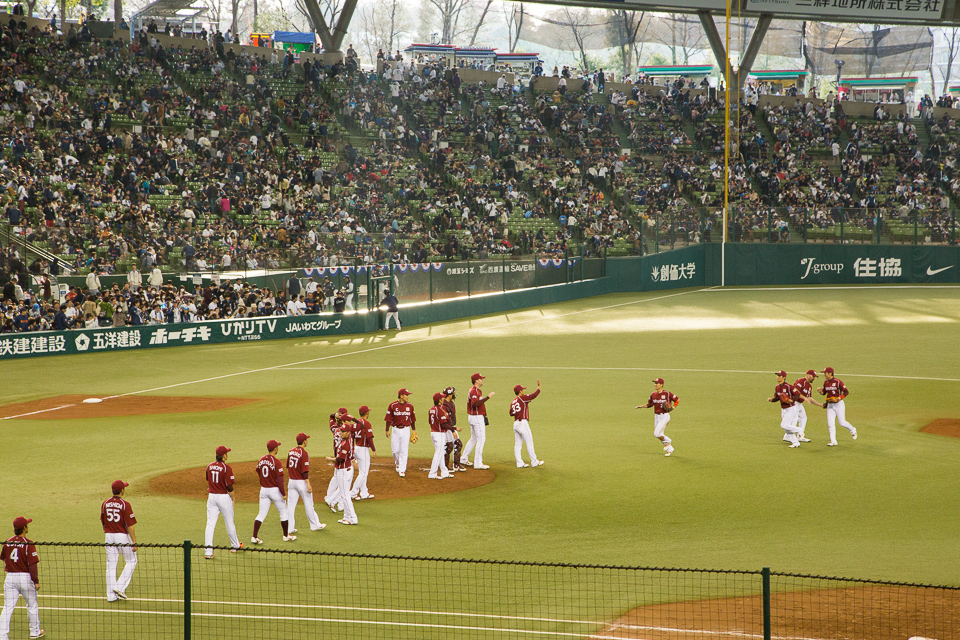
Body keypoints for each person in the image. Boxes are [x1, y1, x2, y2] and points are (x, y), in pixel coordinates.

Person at [0, 517, 42, 640]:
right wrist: (36, 581)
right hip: (25, 578)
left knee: (7, 607)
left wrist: (13, 565)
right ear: (24, 528)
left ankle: (2, 635)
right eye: (27, 525)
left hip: (10, 577)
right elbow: (32, 564)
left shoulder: (7, 542)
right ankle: (35, 632)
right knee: (32, 605)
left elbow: (3, 557)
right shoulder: (28, 543)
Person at [251, 440, 296, 544]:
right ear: (275, 449)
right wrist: (283, 494)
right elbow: (280, 481)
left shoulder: (261, 459)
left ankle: (254, 536)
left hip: (263, 490)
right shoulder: (277, 462)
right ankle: (286, 536)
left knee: (261, 514)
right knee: (284, 513)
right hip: (274, 490)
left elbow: (258, 471)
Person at [101, 480, 137, 601]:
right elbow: (130, 525)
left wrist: (108, 532)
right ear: (122, 490)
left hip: (108, 536)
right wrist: (134, 542)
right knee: (132, 560)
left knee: (111, 565)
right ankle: (120, 587)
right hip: (121, 536)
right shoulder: (125, 504)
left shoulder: (105, 503)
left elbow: (103, 521)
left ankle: (111, 596)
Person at [204, 446, 243, 559]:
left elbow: (209, 480)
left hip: (211, 497)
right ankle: (235, 546)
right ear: (224, 456)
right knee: (229, 521)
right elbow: (229, 486)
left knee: (210, 524)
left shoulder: (209, 466)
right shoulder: (226, 468)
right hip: (223, 497)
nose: (227, 455)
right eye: (226, 453)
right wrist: (233, 498)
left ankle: (208, 552)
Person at [286, 433, 326, 534]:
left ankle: (289, 528)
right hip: (301, 482)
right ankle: (314, 525)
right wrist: (308, 483)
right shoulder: (304, 453)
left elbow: (288, 466)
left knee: (290, 506)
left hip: (291, 481)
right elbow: (304, 471)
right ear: (304, 442)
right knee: (309, 504)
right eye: (306, 440)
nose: (307, 441)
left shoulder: (291, 451)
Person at [636, 377, 678, 456]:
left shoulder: (667, 393)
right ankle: (670, 449)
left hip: (664, 416)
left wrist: (673, 407)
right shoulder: (653, 394)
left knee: (656, 434)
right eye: (655, 383)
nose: (655, 385)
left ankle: (668, 441)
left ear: (661, 385)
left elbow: (677, 399)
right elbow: (650, 404)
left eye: (657, 383)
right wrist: (641, 406)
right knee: (660, 434)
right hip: (657, 417)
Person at [461, 373, 493, 470]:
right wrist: (488, 397)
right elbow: (475, 404)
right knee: (481, 439)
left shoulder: (477, 390)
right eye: (480, 379)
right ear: (476, 381)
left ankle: (463, 458)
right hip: (476, 417)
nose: (482, 380)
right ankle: (478, 463)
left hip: (474, 417)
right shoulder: (474, 391)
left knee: (474, 438)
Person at [818, 367, 857, 446]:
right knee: (830, 423)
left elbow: (846, 392)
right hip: (830, 405)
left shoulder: (838, 382)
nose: (824, 374)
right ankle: (833, 441)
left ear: (830, 373)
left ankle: (852, 430)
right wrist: (820, 391)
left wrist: (839, 398)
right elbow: (825, 393)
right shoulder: (825, 382)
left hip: (839, 404)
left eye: (825, 373)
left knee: (842, 422)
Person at [510, 380, 544, 468]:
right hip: (523, 424)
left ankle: (519, 463)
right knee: (529, 442)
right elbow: (533, 395)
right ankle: (534, 462)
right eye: (522, 390)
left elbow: (511, 413)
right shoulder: (522, 398)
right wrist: (539, 387)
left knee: (518, 444)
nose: (523, 391)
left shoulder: (513, 401)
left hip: (516, 424)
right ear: (520, 391)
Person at [385, 389, 417, 477]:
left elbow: (412, 419)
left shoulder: (410, 406)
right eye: (406, 395)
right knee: (395, 451)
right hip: (395, 430)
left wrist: (414, 430)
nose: (408, 396)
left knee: (404, 450)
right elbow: (388, 418)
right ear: (401, 396)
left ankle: (402, 469)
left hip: (406, 429)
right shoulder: (392, 405)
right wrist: (387, 430)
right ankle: (398, 463)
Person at [768, 371, 805, 448]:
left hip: (791, 408)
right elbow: (777, 397)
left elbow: (797, 394)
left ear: (784, 377)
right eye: (777, 375)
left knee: (783, 425)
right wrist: (771, 400)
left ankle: (799, 430)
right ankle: (795, 443)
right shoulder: (777, 387)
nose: (778, 377)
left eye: (779, 375)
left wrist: (792, 400)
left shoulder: (788, 386)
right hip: (783, 409)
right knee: (786, 428)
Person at [333, 421, 359, 525]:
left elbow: (340, 459)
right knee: (345, 494)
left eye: (343, 431)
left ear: (348, 433)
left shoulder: (346, 444)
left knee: (345, 495)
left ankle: (353, 518)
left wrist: (330, 459)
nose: (341, 432)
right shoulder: (345, 442)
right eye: (341, 431)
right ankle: (346, 517)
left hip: (343, 471)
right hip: (345, 470)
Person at [350, 406, 376, 500]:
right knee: (363, 473)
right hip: (363, 450)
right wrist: (373, 449)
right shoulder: (367, 423)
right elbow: (369, 438)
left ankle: (364, 493)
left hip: (357, 448)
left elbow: (352, 438)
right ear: (367, 413)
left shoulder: (355, 424)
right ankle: (353, 492)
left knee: (363, 472)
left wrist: (352, 450)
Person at [792, 370, 824, 443]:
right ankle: (788, 435)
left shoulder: (809, 386)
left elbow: (809, 398)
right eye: (813, 376)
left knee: (803, 418)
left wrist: (819, 404)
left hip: (799, 404)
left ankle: (800, 435)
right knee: (794, 419)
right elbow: (795, 391)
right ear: (808, 375)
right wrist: (804, 398)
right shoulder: (801, 381)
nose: (814, 378)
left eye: (814, 377)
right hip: (794, 402)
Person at [427, 392, 452, 479]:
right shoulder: (440, 410)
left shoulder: (431, 409)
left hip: (433, 432)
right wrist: (455, 429)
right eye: (442, 398)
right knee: (439, 453)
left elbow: (429, 422)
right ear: (439, 401)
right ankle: (432, 473)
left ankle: (444, 472)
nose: (443, 399)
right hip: (439, 434)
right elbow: (444, 425)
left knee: (440, 452)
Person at [442, 387, 464, 472]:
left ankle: (456, 465)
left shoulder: (451, 403)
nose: (454, 395)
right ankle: (445, 466)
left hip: (452, 426)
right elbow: (445, 420)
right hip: (447, 428)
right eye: (452, 393)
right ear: (449, 395)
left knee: (458, 444)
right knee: (449, 446)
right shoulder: (444, 405)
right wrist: (453, 430)